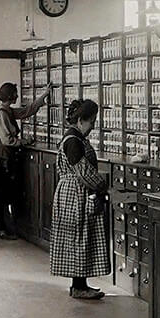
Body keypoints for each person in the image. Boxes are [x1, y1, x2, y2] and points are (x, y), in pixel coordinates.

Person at [49, 98, 110, 301]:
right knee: (79, 238)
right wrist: (102, 185)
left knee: (80, 238)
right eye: (91, 122)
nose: (93, 126)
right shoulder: (73, 141)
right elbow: (83, 172)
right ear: (81, 120)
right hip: (75, 194)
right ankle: (78, 287)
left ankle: (80, 284)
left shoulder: (76, 137)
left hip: (74, 191)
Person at [0, 79, 50, 238]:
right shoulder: (2, 114)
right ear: (10, 96)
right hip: (2, 157)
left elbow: (26, 111)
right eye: (15, 94)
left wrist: (44, 95)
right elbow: (7, 140)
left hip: (3, 156)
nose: (17, 96)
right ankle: (1, 228)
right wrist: (23, 141)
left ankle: (3, 227)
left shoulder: (7, 111)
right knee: (2, 193)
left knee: (4, 192)